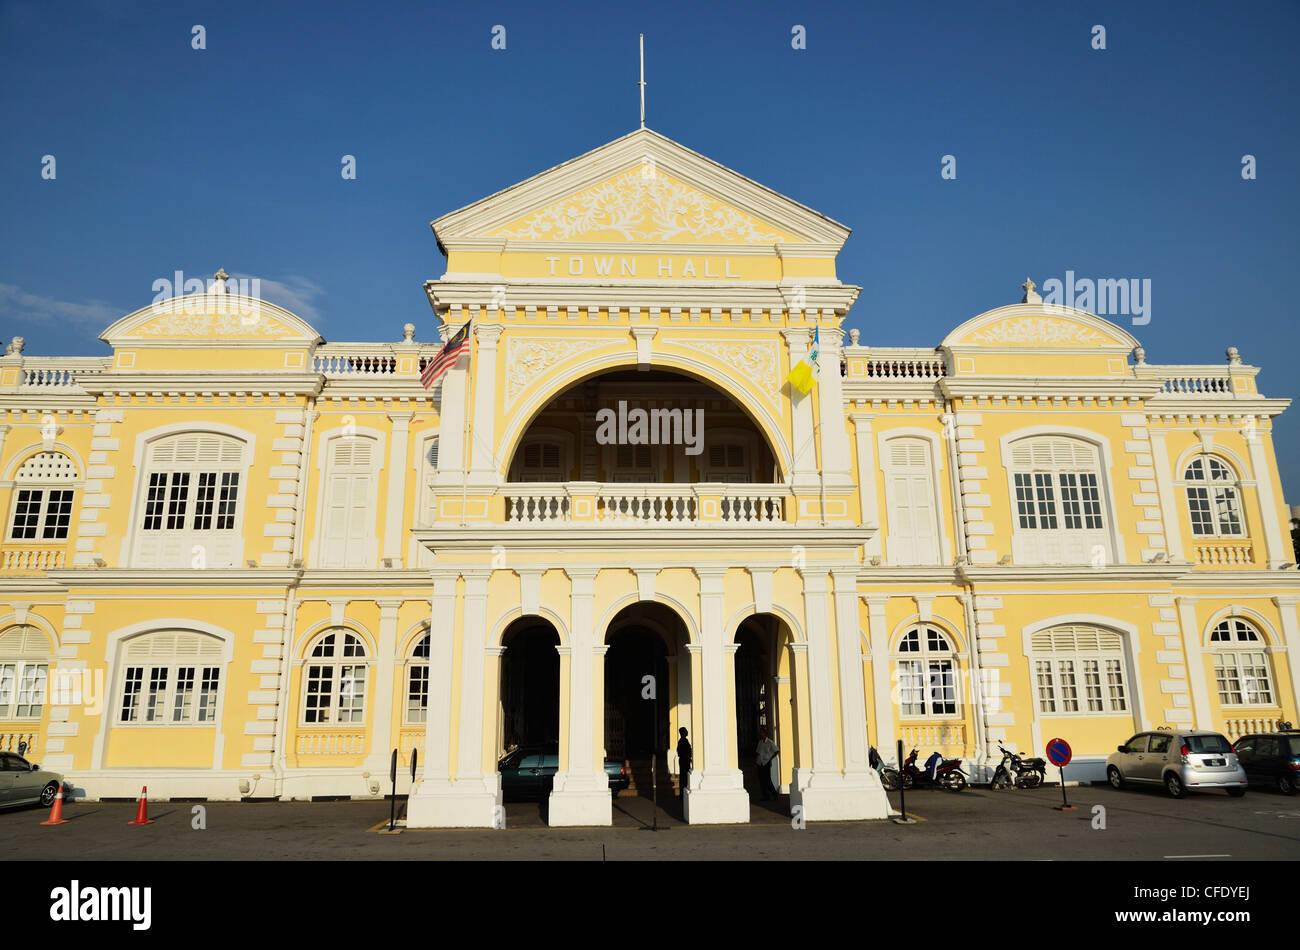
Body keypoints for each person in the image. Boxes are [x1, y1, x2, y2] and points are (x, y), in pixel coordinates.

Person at [755, 727, 779, 801]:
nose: (760, 734)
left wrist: (770, 757)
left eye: (762, 733)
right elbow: (758, 753)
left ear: (765, 734)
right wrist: (756, 762)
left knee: (767, 780)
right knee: (761, 780)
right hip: (760, 763)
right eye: (760, 733)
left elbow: (777, 750)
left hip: (766, 763)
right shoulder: (760, 742)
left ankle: (774, 794)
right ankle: (765, 796)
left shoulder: (770, 742)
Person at [676, 727, 692, 798]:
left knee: (684, 777)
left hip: (684, 760)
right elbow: (681, 752)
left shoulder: (683, 740)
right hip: (684, 761)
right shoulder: (683, 741)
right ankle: (682, 795)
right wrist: (688, 756)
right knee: (684, 778)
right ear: (683, 733)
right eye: (686, 731)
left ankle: (682, 794)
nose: (687, 731)